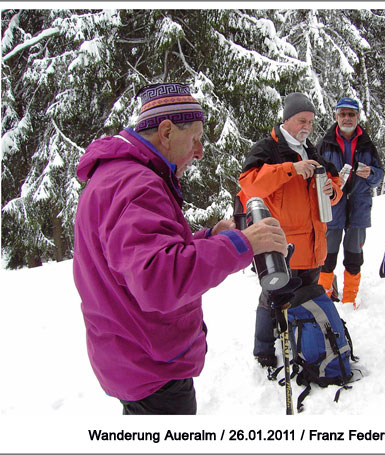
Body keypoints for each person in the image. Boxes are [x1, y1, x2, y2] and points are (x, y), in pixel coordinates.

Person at [73, 82, 288, 414]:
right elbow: (159, 280)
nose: (200, 150)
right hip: (152, 369)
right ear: (166, 130)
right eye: (196, 138)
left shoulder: (119, 175)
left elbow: (139, 260)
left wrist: (210, 237)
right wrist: (242, 244)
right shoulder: (136, 185)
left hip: (131, 357)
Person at [238, 92, 342, 367]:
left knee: (306, 296)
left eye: (310, 121)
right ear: (287, 120)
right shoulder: (267, 149)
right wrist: (291, 169)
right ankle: (263, 351)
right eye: (301, 120)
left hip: (313, 242)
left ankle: (301, 344)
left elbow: (334, 186)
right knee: (272, 297)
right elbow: (249, 186)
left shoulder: (313, 150)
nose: (306, 126)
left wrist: (333, 192)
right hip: (280, 244)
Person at [316, 96, 384, 309]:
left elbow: (379, 175)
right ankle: (324, 298)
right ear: (336, 116)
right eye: (343, 114)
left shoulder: (367, 144)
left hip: (359, 206)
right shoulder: (325, 143)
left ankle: (349, 299)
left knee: (354, 255)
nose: (347, 118)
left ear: (358, 117)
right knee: (327, 255)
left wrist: (370, 173)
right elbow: (315, 174)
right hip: (333, 206)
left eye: (351, 114)